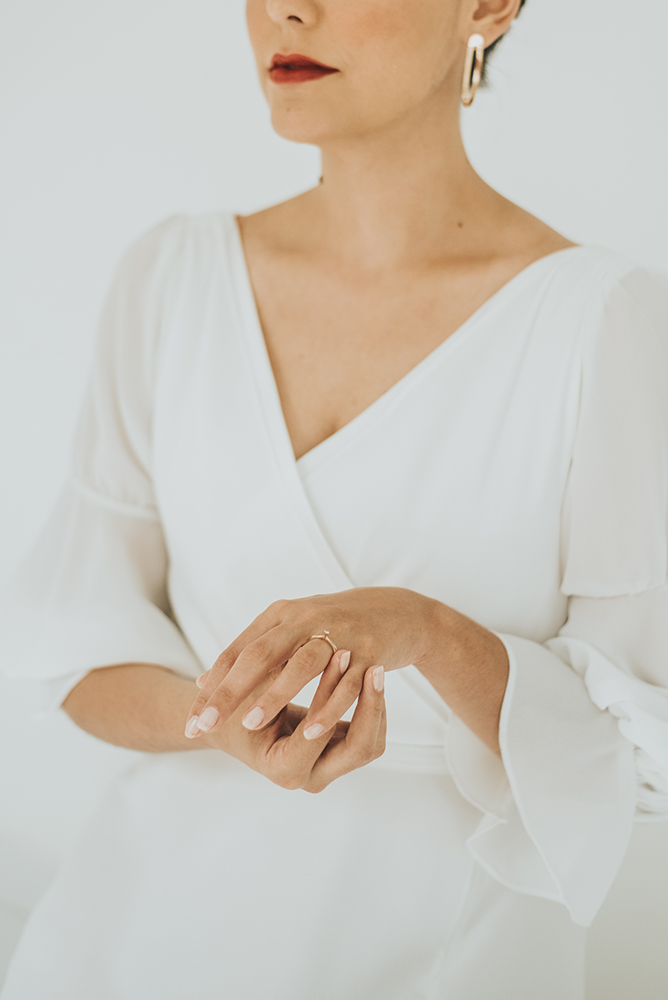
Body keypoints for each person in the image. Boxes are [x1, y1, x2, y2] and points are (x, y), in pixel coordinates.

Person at [2, 0, 668, 997]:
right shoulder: (172, 280)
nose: (287, 10)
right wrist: (220, 718)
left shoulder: (601, 322)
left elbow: (637, 747)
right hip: (143, 934)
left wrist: (426, 632)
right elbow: (74, 640)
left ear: (487, 7)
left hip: (450, 948)